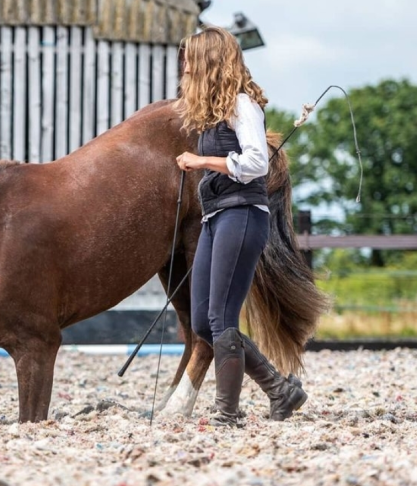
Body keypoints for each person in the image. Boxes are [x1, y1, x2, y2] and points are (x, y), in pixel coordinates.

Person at [174, 26, 307, 426]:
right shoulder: (213, 115)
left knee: (220, 319)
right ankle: (280, 390)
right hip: (219, 219)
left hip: (243, 216)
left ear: (209, 62)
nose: (185, 66)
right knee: (201, 320)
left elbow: (256, 163)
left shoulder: (241, 105)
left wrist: (202, 163)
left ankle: (227, 414)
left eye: (190, 59)